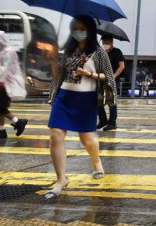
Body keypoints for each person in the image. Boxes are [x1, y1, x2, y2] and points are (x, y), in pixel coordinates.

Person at [45, 15, 116, 199]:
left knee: (87, 140)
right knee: (55, 135)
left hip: (85, 99)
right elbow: (58, 76)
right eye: (76, 28)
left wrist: (89, 74)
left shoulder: (99, 52)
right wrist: (53, 60)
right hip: (64, 96)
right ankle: (61, 179)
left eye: (83, 28)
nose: (79, 32)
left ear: (90, 31)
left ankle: (96, 160)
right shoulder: (68, 50)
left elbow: (108, 77)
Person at [0, 31, 29, 139]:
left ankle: (18, 122)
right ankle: (1, 130)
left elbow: (5, 69)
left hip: (4, 84)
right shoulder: (1, 52)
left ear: (1, 41)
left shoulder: (9, 52)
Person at [97, 35, 124, 131]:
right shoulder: (102, 52)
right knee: (98, 100)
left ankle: (112, 123)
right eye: (103, 43)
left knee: (111, 101)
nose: (105, 45)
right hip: (102, 79)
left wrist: (113, 76)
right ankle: (102, 120)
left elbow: (121, 66)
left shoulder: (117, 52)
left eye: (106, 43)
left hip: (113, 80)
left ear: (111, 42)